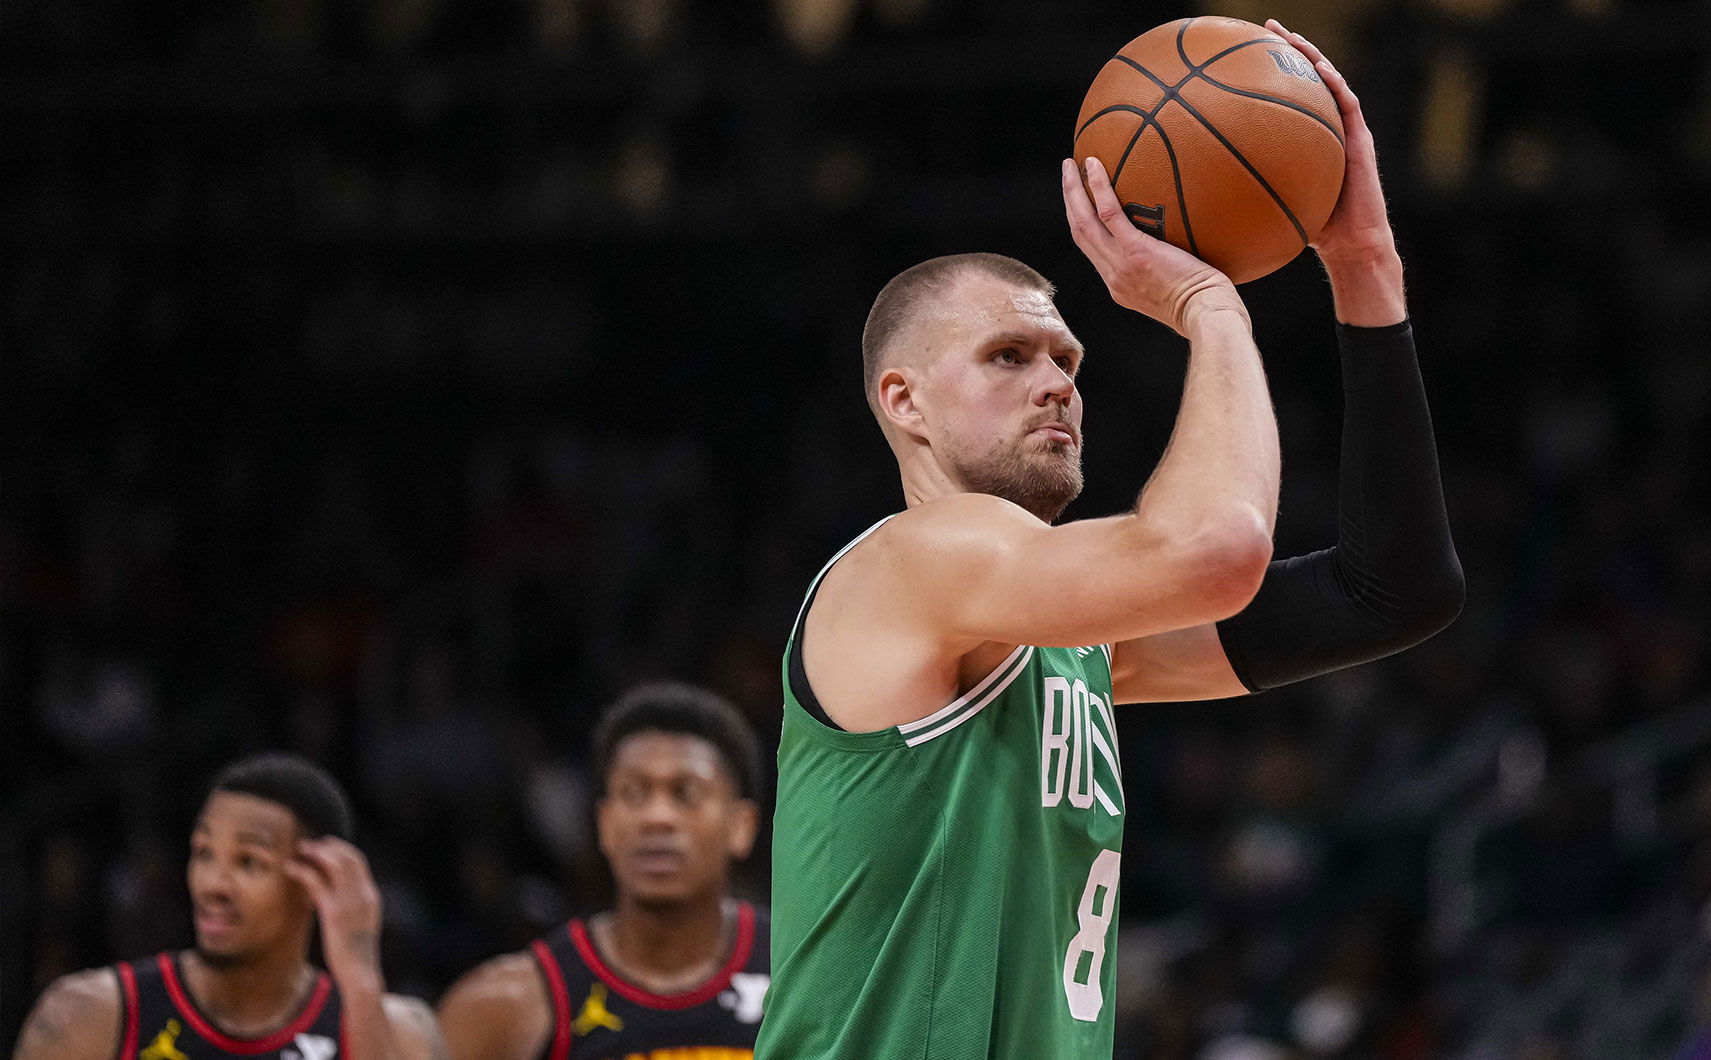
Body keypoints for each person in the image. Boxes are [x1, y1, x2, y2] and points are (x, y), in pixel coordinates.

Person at [757, 21, 1462, 1060]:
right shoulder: (913, 564)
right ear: (900, 401)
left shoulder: (1069, 643)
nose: (1056, 382)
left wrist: (1363, 264)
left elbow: (1394, 591)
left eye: (1067, 358)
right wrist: (1212, 309)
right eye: (1008, 355)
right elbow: (1218, 549)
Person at [11, 754, 442, 1060]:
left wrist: (360, 976)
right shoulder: (90, 1015)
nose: (213, 885)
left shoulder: (401, 1033)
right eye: (203, 853)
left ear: (319, 881)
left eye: (248, 862)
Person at [436, 682, 768, 1060]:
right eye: (633, 793)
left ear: (742, 826)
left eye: (686, 793)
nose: (656, 818)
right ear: (605, 824)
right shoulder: (506, 1006)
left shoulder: (804, 982)